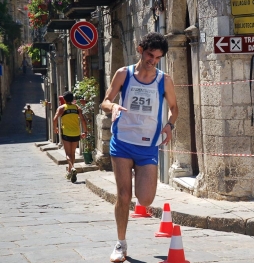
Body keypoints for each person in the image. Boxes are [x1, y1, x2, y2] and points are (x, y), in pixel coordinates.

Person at [101, 32, 178, 262]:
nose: (152, 60)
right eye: (149, 55)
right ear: (140, 48)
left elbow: (175, 108)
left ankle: (138, 189)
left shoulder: (164, 80)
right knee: (123, 195)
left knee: (144, 200)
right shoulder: (124, 74)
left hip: (147, 146)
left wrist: (169, 126)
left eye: (157, 57)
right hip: (123, 141)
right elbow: (105, 101)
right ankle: (121, 244)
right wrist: (112, 107)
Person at [53, 91, 88, 183]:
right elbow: (83, 120)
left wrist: (55, 128)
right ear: (72, 99)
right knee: (72, 153)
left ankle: (72, 168)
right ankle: (69, 171)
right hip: (76, 133)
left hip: (66, 133)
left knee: (68, 154)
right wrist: (85, 131)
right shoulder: (77, 108)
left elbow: (55, 118)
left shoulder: (62, 108)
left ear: (64, 99)